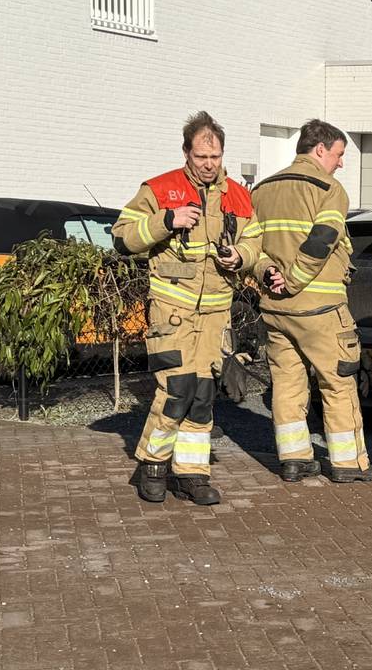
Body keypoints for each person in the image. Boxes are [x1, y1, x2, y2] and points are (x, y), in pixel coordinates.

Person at [113, 111, 263, 505]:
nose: (209, 165)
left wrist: (241, 257)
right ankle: (152, 465)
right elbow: (123, 237)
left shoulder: (238, 196)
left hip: (215, 314)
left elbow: (255, 242)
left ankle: (192, 473)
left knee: (203, 393)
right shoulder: (161, 189)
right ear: (186, 153)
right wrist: (167, 220)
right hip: (172, 312)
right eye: (201, 157)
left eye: (215, 157)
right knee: (176, 389)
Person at [250, 119, 372, 484]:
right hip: (319, 306)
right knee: (338, 382)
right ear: (320, 149)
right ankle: (349, 464)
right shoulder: (328, 189)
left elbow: (251, 246)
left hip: (275, 307)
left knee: (287, 383)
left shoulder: (261, 190)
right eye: (339, 154)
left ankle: (294, 460)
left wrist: (266, 273)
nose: (341, 163)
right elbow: (322, 240)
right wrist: (293, 280)